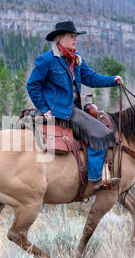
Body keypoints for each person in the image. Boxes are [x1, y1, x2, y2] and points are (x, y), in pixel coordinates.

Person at [26, 21, 122, 189]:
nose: (75, 40)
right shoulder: (47, 60)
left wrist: (112, 80)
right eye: (72, 36)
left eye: (76, 36)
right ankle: (95, 178)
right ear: (60, 38)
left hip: (74, 109)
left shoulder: (75, 59)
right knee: (101, 133)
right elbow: (32, 85)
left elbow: (91, 78)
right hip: (62, 111)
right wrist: (44, 109)